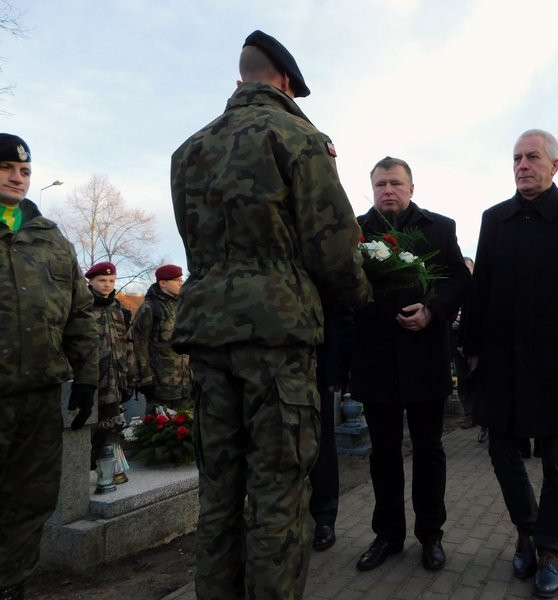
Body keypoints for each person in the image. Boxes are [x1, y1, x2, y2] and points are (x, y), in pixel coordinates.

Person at [170, 31, 370, 600]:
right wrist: (361, 294)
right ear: (284, 81)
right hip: (277, 341)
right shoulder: (299, 137)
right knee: (278, 492)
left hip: (209, 336)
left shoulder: (187, 151)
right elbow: (332, 249)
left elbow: (195, 245)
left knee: (219, 492)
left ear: (241, 79)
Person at [463, 129, 558, 598]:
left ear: (554, 165)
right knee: (502, 453)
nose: (522, 165)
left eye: (532, 157)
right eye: (516, 158)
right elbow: (480, 287)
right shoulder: (495, 219)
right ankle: (527, 529)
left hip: (556, 364)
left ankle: (549, 549)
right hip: (502, 362)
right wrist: (471, 349)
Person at [350, 156, 470, 573]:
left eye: (396, 183)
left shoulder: (439, 227)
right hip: (375, 360)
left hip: (424, 357)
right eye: (380, 183)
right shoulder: (355, 231)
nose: (388, 190)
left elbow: (458, 279)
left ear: (411, 187)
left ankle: (431, 535)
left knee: (429, 450)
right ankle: (387, 534)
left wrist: (432, 311)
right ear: (372, 188)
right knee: (383, 453)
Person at [0, 134, 99, 600]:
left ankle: (11, 584)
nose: (18, 177)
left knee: (31, 498)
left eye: (24, 171)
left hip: (38, 397)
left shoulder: (51, 238)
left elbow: (79, 314)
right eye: (6, 169)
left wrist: (87, 378)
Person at [309, 302, 354, 552]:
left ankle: (323, 519)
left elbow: (338, 306)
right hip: (259, 362)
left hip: (310, 366)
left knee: (321, 444)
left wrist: (336, 370)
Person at [85, 261, 136, 469]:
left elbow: (129, 343)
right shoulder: (82, 306)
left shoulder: (119, 308)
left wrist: (131, 374)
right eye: (102, 280)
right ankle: (84, 471)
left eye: (111, 280)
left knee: (111, 428)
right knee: (89, 427)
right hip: (91, 378)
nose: (107, 285)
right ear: (91, 281)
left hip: (116, 377)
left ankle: (108, 470)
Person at [131, 264, 191, 409]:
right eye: (176, 280)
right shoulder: (149, 307)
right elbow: (139, 344)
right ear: (163, 283)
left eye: (181, 280)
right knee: (159, 427)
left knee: (186, 427)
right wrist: (145, 379)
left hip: (185, 383)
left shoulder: (183, 305)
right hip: (161, 383)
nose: (180, 283)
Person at [451, 257, 475, 428]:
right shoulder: (455, 290)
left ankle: (481, 415)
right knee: (462, 379)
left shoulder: (477, 291)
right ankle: (469, 414)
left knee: (477, 379)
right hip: (455, 340)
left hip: (473, 342)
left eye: (469, 269)